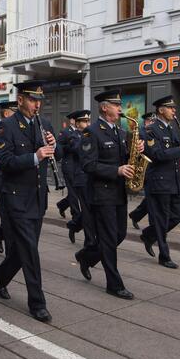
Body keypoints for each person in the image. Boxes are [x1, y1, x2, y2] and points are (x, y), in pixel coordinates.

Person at [0, 80, 59, 322]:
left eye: (39, 100)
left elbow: (54, 155)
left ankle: (0, 275)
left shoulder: (44, 124)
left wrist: (53, 145)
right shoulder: (6, 126)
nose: (37, 104)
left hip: (38, 197)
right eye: (32, 99)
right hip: (16, 198)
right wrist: (34, 156)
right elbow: (5, 162)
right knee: (30, 250)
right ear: (20, 100)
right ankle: (37, 303)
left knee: (23, 251)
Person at [75, 89, 142, 299]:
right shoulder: (92, 132)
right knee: (108, 238)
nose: (121, 109)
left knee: (119, 235)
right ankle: (114, 283)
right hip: (101, 194)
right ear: (105, 108)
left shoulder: (120, 132)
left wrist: (137, 150)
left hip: (119, 192)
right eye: (116, 105)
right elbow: (88, 164)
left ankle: (86, 256)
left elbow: (125, 157)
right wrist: (116, 170)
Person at [141, 95, 180, 269]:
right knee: (162, 220)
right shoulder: (151, 130)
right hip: (160, 181)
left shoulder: (173, 128)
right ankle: (164, 255)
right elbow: (157, 155)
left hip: (174, 180)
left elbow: (179, 150)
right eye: (170, 108)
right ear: (161, 110)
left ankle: (149, 234)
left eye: (174, 108)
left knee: (177, 216)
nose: (174, 111)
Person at [0, 101, 17, 253]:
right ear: (6, 113)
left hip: (15, 180)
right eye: (15, 111)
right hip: (3, 179)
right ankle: (10, 254)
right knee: (7, 218)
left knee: (13, 217)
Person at [67, 110, 94, 252]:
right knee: (88, 211)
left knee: (90, 211)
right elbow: (80, 150)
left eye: (89, 121)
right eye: (85, 121)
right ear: (77, 124)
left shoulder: (89, 134)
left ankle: (74, 225)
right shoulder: (74, 136)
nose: (88, 124)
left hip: (93, 178)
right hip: (82, 178)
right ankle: (89, 241)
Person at [128, 112, 155, 229]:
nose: (153, 123)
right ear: (146, 121)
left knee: (151, 198)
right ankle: (153, 227)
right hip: (145, 168)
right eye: (151, 121)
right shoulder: (142, 132)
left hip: (154, 168)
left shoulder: (154, 132)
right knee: (151, 198)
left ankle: (135, 215)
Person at [56, 114, 80, 234]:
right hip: (69, 165)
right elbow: (59, 147)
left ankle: (62, 205)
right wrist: (70, 148)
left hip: (80, 166)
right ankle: (76, 216)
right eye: (77, 119)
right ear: (72, 120)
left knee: (76, 192)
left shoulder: (82, 131)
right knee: (73, 192)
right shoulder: (65, 132)